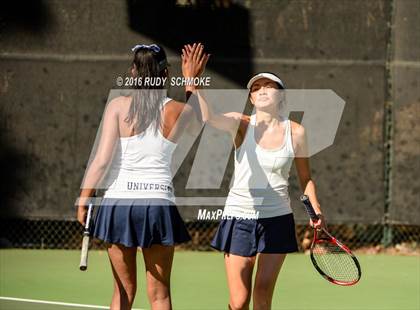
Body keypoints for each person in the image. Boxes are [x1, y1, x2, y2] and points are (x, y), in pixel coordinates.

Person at [182, 44, 325, 310]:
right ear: (250, 98)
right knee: (238, 303)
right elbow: (209, 117)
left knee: (262, 295)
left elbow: (306, 178)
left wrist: (314, 208)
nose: (261, 91)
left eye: (267, 87)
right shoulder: (241, 124)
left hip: (277, 220)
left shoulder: (296, 132)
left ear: (281, 97)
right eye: (256, 88)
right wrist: (194, 81)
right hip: (239, 218)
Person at [77, 43, 206, 310]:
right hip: (157, 206)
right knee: (159, 296)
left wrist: (83, 198)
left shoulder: (117, 106)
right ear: (167, 73)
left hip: (117, 206)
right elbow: (199, 119)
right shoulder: (181, 111)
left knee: (122, 293)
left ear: (133, 72)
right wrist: (191, 81)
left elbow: (101, 162)